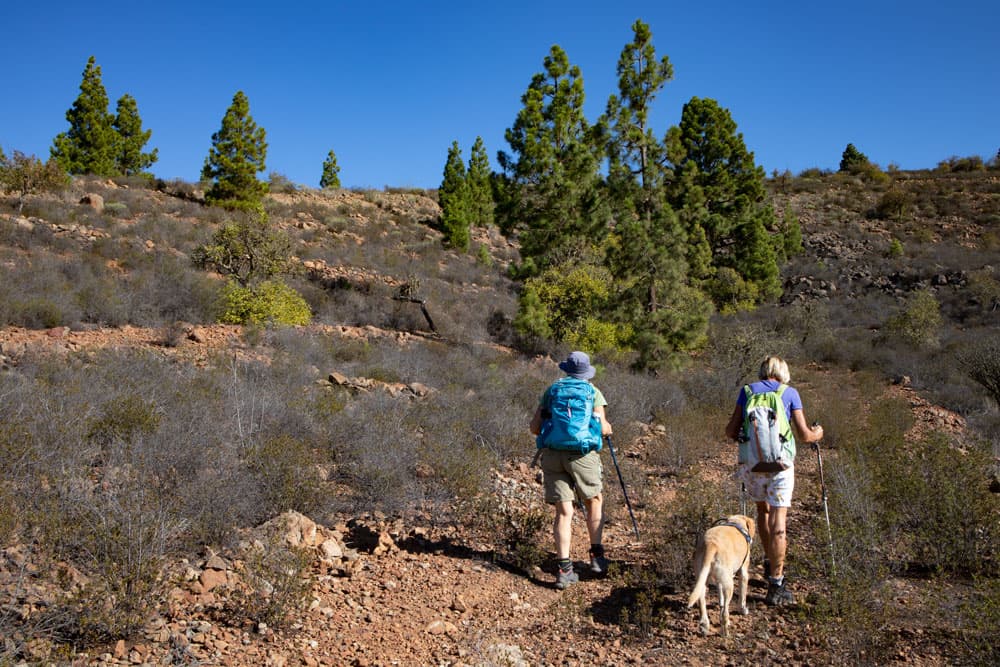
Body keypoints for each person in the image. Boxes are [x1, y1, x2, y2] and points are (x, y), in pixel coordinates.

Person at [724, 355, 823, 606]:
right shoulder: (790, 393)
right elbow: (804, 435)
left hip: (753, 465)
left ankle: (769, 561)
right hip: (781, 466)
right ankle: (776, 583)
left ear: (763, 371)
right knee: (779, 521)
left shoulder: (747, 391)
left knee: (762, 511)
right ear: (782, 372)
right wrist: (817, 433)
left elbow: (730, 431)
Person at [530, 351, 613, 589]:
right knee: (594, 501)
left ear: (566, 369)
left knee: (564, 512)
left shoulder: (552, 391)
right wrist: (606, 428)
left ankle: (564, 569)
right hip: (583, 456)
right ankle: (596, 557)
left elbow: (535, 427)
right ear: (586, 372)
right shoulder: (592, 392)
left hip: (553, 455)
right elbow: (604, 427)